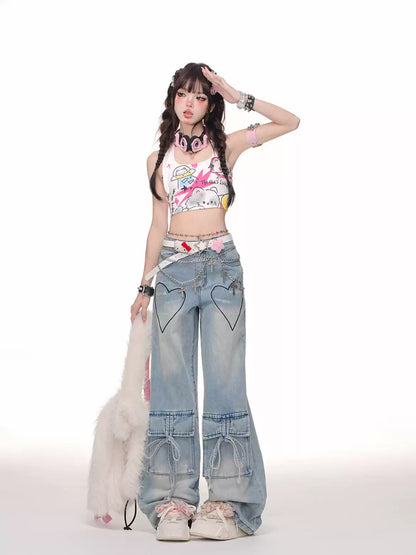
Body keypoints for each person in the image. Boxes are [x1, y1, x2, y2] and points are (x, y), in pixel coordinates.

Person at [130, 62, 300, 541]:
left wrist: (235, 92)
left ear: (210, 104)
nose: (190, 103)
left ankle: (226, 501)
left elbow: (290, 122)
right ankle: (173, 501)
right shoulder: (157, 159)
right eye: (184, 94)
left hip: (222, 269)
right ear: (173, 99)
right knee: (171, 385)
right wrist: (143, 287)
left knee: (225, 382)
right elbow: (157, 226)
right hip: (172, 273)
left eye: (201, 96)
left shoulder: (227, 147)